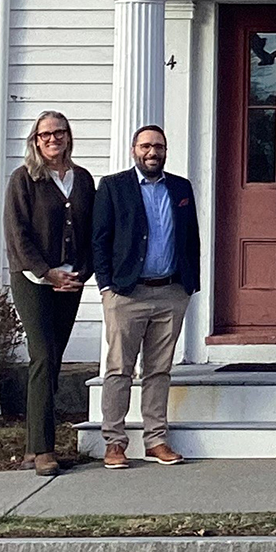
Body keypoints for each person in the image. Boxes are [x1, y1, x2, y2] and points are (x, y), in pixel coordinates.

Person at [92, 124, 200, 470]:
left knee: (159, 370)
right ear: (133, 150)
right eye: (146, 146)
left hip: (170, 291)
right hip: (127, 293)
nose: (152, 152)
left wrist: (189, 284)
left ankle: (155, 439)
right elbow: (100, 239)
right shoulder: (113, 187)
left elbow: (191, 237)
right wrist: (107, 286)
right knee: (119, 369)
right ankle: (115, 441)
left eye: (159, 146)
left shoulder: (180, 187)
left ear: (166, 151)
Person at [4, 110, 95, 477]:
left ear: (68, 136)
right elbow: (18, 234)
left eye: (58, 133)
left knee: (53, 359)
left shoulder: (83, 179)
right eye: (45, 135)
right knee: (42, 356)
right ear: (35, 141)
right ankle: (44, 450)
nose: (52, 139)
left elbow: (91, 232)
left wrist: (81, 272)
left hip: (70, 282)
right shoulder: (24, 179)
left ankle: (31, 447)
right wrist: (47, 272)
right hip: (33, 281)